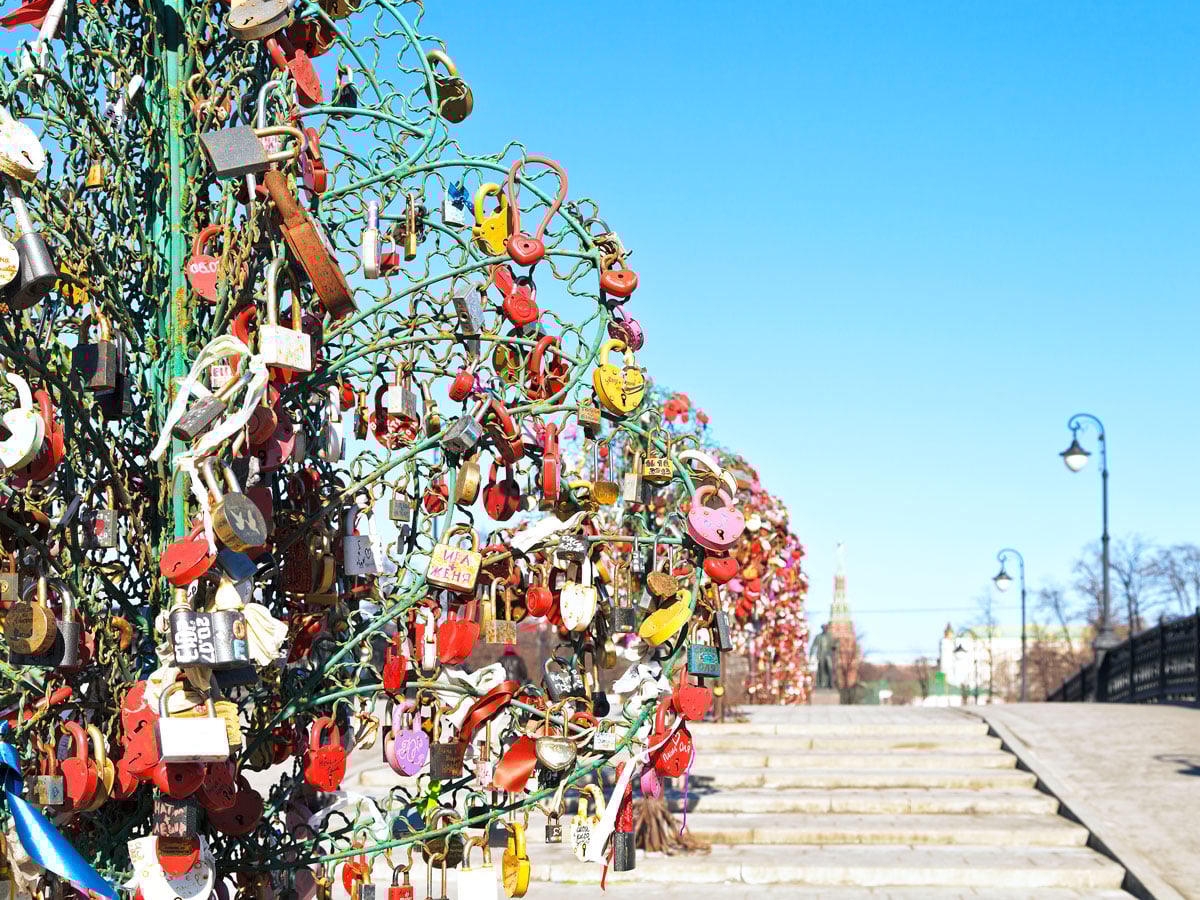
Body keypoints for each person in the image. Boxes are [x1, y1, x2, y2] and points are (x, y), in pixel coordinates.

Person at [810, 623, 837, 689]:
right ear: (822, 628)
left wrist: (835, 646)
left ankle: (830, 683)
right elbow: (813, 646)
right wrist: (811, 655)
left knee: (829, 668)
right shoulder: (818, 636)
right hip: (820, 655)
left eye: (826, 628)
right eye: (824, 628)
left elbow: (833, 645)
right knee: (821, 669)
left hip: (828, 655)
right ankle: (821, 683)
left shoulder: (830, 637)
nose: (825, 629)